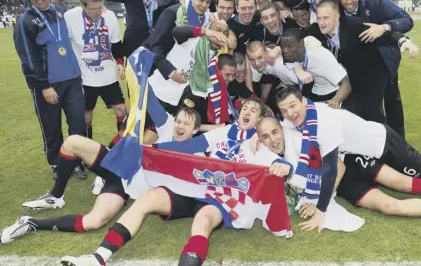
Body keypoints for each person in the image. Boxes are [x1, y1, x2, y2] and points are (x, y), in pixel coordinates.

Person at [57, 99, 292, 266]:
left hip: (225, 198)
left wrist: (283, 167)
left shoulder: (257, 143)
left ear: (259, 119)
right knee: (148, 199)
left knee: (202, 222)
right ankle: (99, 257)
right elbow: (186, 147)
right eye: (245, 108)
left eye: (253, 109)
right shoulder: (223, 132)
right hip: (196, 188)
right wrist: (150, 150)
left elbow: (279, 164)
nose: (247, 111)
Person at [275, 87, 421, 230]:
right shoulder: (297, 119)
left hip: (382, 144)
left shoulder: (323, 122)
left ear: (304, 101)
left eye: (293, 105)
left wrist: (321, 210)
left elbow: (331, 169)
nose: (290, 113)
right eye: (284, 110)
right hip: (362, 153)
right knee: (411, 178)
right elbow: (275, 125)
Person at [0, 108, 201, 245]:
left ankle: (30, 222)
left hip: (124, 187)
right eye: (179, 121)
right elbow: (152, 102)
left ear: (196, 130)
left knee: (93, 222)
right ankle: (56, 196)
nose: (180, 126)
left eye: (187, 124)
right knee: (72, 142)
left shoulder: (197, 156)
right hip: (119, 166)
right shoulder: (165, 128)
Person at [13, 0, 86, 180]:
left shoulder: (60, 12)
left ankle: (78, 160)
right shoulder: (25, 21)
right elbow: (27, 58)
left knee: (78, 122)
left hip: (71, 80)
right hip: (47, 85)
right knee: (51, 127)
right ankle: (57, 163)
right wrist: (43, 85)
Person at [309, 0, 418, 124]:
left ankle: (387, 140)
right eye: (319, 18)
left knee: (372, 114)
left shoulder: (354, 26)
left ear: (337, 16)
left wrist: (404, 42)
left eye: (326, 18)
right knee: (351, 114)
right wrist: (307, 39)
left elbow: (384, 36)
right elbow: (295, 37)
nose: (321, 22)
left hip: (371, 76)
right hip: (349, 80)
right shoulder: (315, 30)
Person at [337, 0, 414, 138]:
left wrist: (383, 27)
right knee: (365, 105)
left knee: (392, 100)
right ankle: (370, 141)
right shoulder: (335, 7)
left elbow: (407, 20)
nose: (349, 2)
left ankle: (400, 143)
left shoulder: (375, 0)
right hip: (356, 64)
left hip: (383, 60)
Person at [64, 0, 127, 140]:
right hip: (85, 78)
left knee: (121, 109)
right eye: (93, 9)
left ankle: (121, 147)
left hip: (108, 75)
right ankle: (88, 152)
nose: (98, 11)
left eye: (100, 7)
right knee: (86, 116)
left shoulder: (110, 15)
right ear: (83, 6)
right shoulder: (70, 17)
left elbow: (116, 42)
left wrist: (119, 62)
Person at [144, 0, 213, 84]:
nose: (204, 5)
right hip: (153, 71)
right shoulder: (172, 13)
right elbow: (155, 46)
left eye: (208, 2)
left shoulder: (205, 19)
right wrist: (171, 73)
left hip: (180, 72)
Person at [280, 28, 351, 106]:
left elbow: (346, 84)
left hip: (335, 92)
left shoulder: (320, 57)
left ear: (301, 43)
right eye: (283, 47)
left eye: (290, 46)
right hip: (316, 92)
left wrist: (335, 100)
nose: (285, 50)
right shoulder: (289, 56)